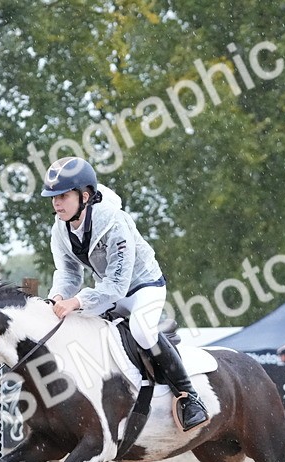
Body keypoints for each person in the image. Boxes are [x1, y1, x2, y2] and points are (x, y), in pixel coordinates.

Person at [41, 157, 208, 431]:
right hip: (107, 293)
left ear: (85, 196)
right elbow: (69, 273)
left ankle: (190, 397)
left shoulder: (114, 223)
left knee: (142, 330)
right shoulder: (60, 229)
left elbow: (117, 285)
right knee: (73, 327)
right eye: (53, 197)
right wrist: (58, 296)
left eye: (63, 196)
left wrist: (78, 301)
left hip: (143, 288)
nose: (56, 203)